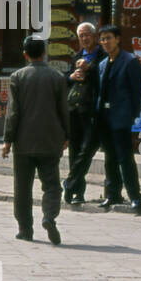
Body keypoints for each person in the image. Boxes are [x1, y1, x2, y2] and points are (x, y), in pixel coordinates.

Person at [1, 36, 70, 244]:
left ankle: (25, 229)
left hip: (23, 142)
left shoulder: (18, 77)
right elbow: (64, 111)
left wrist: (7, 140)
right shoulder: (57, 77)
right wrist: (67, 135)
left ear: (25, 54)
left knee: (22, 188)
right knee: (52, 185)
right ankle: (49, 216)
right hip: (50, 140)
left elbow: (13, 112)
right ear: (44, 53)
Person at [94, 24, 141, 214]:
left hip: (121, 117)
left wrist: (132, 115)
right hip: (104, 117)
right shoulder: (102, 63)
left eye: (109, 38)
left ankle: (135, 197)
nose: (105, 42)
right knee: (110, 158)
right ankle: (112, 194)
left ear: (118, 39)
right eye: (103, 39)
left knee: (125, 158)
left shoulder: (129, 61)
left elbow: (137, 92)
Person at [62, 22, 105, 206]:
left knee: (87, 150)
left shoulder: (103, 56)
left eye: (87, 34)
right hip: (74, 110)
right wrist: (72, 77)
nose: (84, 38)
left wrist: (90, 68)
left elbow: (104, 78)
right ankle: (77, 192)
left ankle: (70, 183)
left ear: (95, 36)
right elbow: (67, 80)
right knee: (75, 150)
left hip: (92, 111)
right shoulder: (77, 56)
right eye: (81, 35)